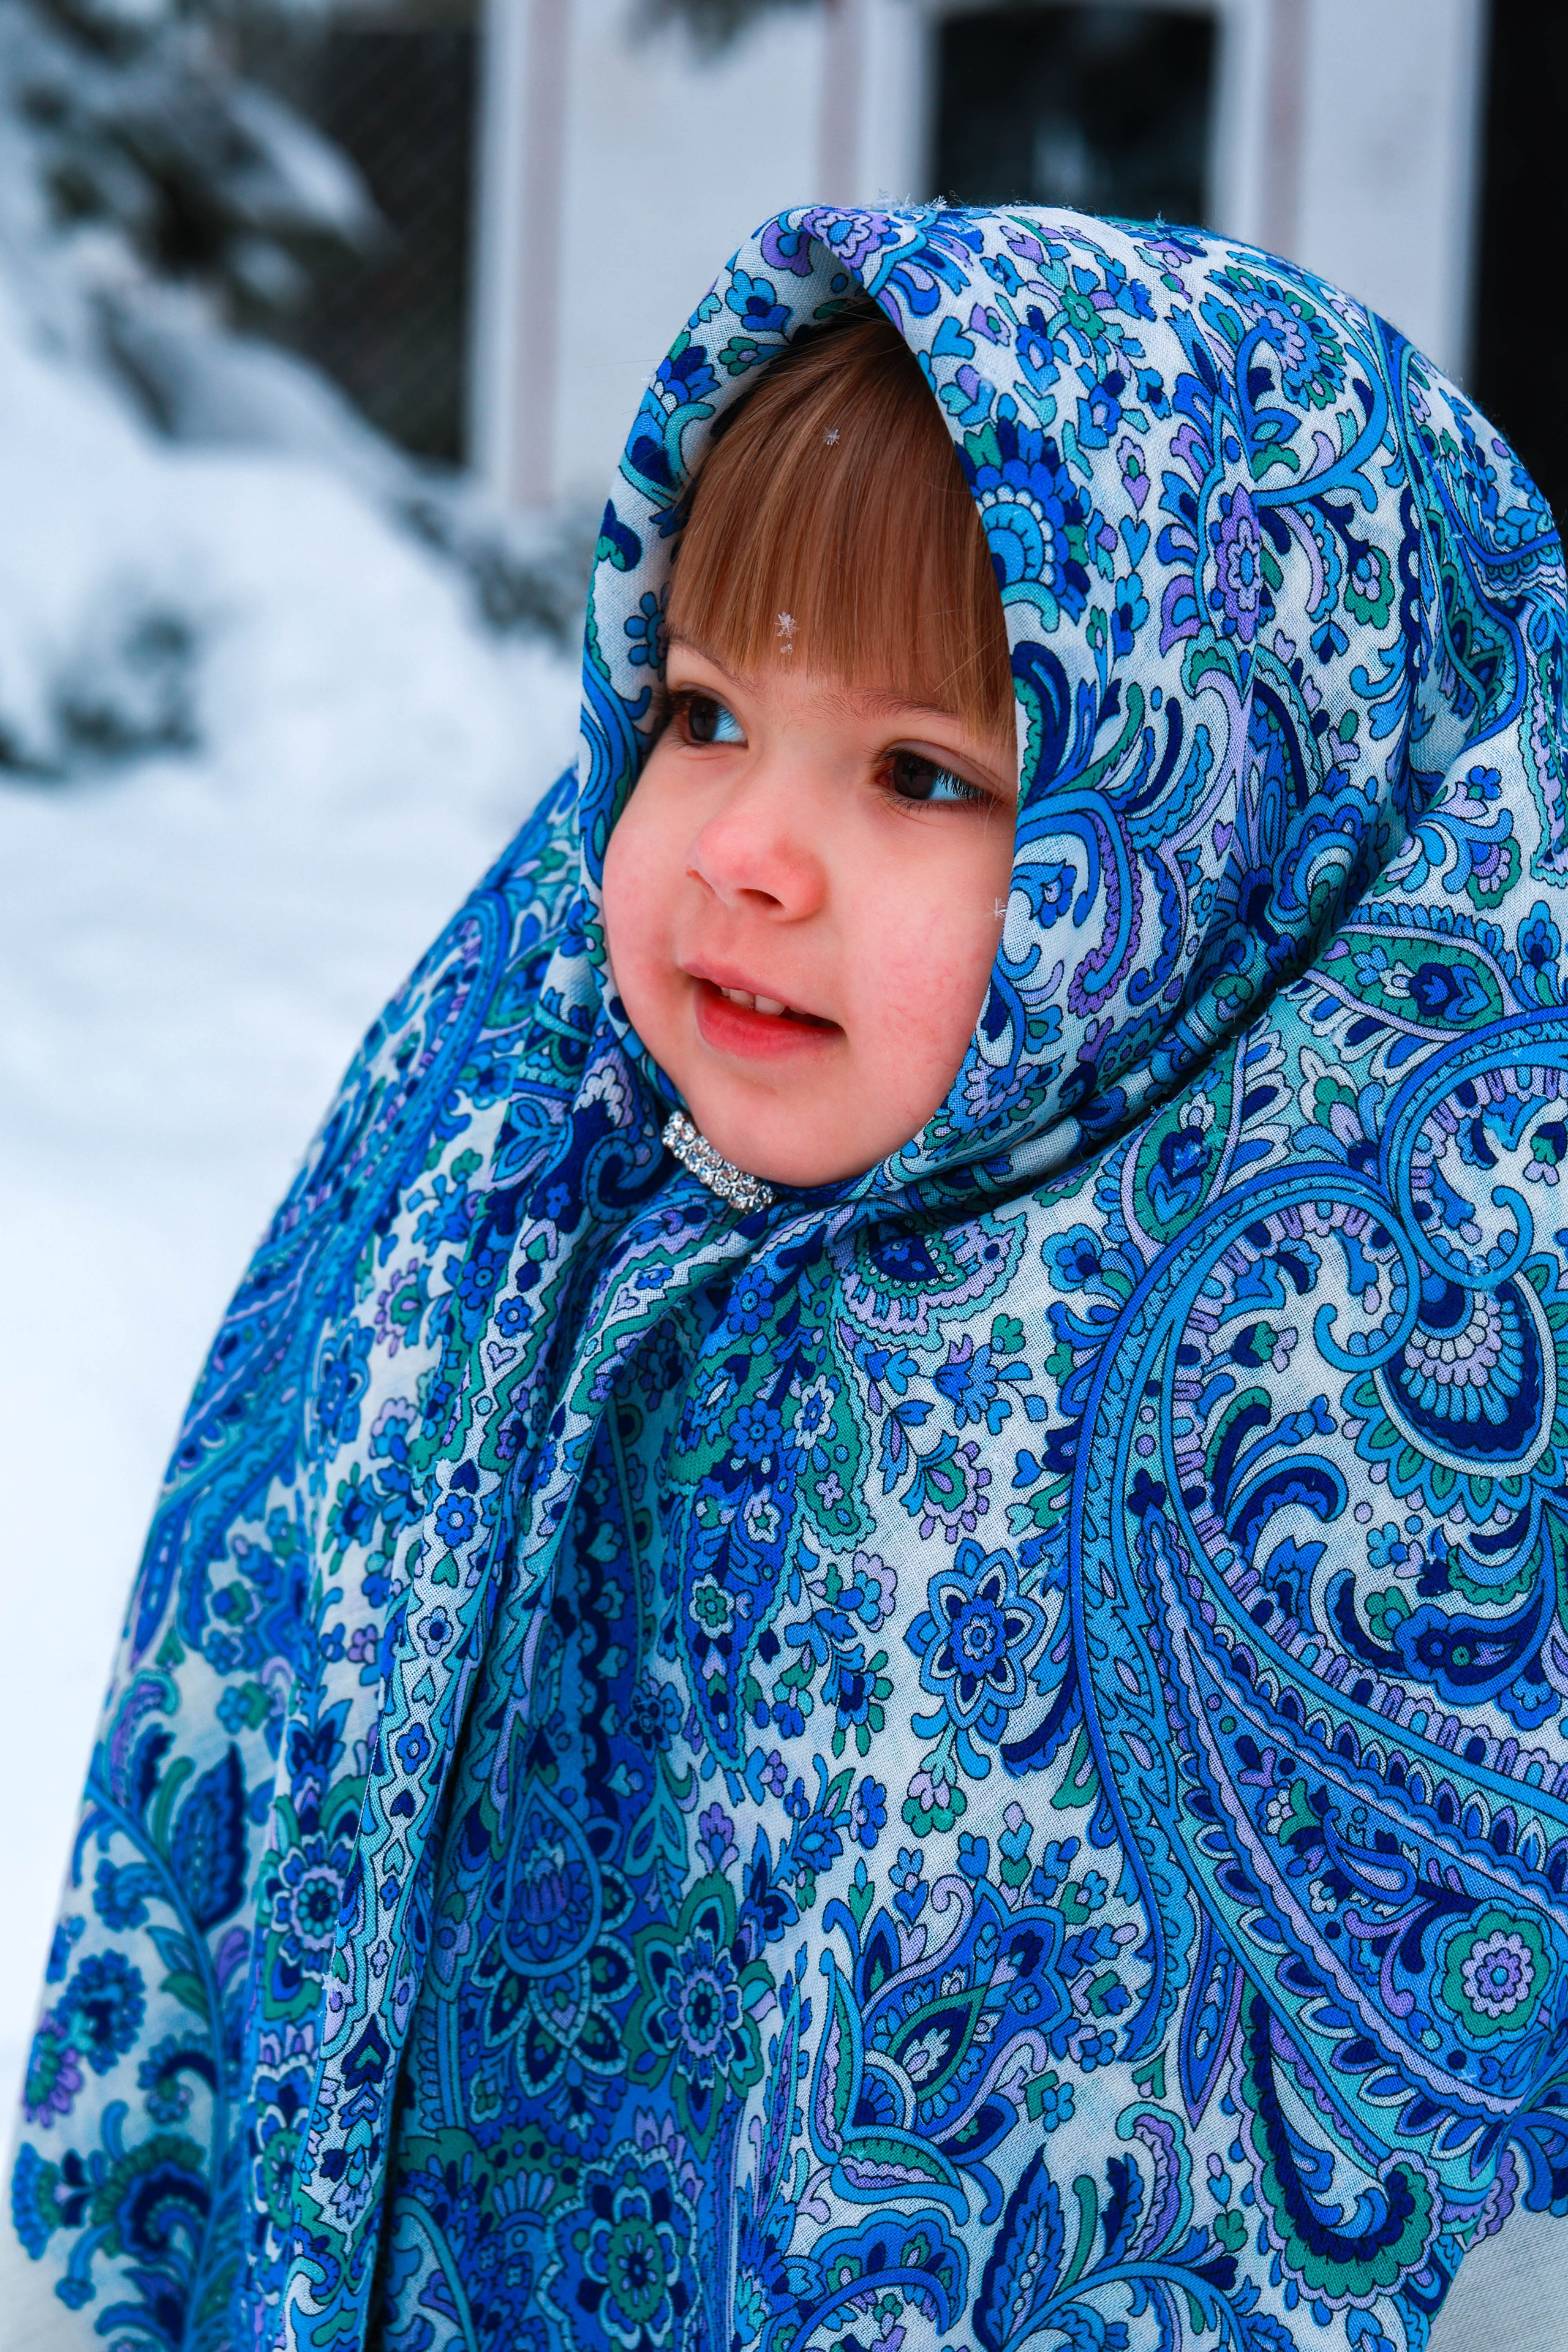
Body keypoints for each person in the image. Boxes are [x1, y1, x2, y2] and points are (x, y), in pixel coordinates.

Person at [7, 202, 1568, 2352]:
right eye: (705, 711)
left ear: (1235, 816)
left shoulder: (1343, 1423)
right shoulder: (502, 1166)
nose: (743, 849)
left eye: (924, 772)